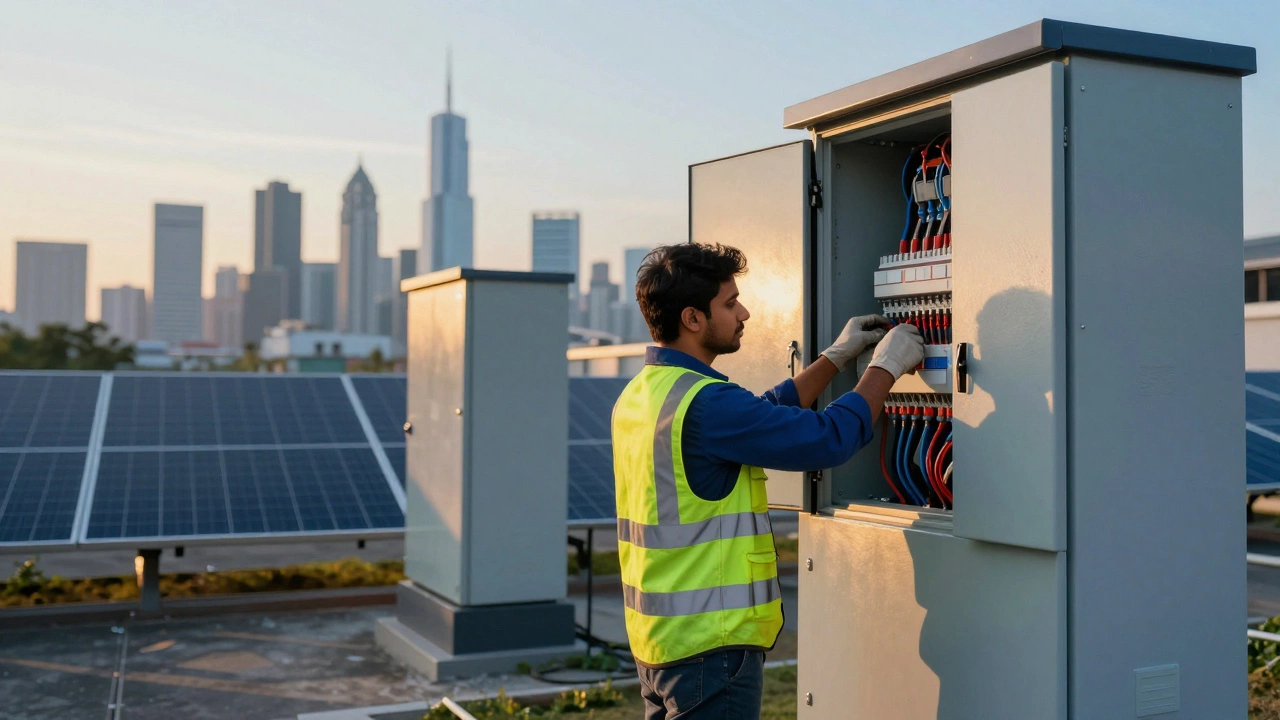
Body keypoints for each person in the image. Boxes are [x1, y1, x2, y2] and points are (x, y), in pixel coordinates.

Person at [613, 242, 925, 719]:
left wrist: (835, 358)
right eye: (730, 302)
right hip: (711, 649)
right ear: (693, 319)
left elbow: (759, 415)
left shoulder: (641, 396)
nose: (745, 312)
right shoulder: (707, 404)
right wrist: (887, 365)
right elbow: (828, 439)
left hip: (659, 644)